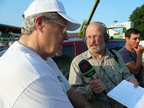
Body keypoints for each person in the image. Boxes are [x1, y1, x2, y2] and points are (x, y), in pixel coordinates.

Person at [0, 0, 91, 108]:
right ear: (40, 23)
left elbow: (70, 92)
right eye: (62, 28)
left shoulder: (44, 59)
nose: (67, 36)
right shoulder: (32, 72)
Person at [68, 22, 139, 108]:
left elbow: (126, 74)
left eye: (96, 36)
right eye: (89, 37)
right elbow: (72, 92)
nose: (92, 41)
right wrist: (91, 90)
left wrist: (131, 79)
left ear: (105, 37)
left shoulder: (116, 55)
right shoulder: (77, 62)